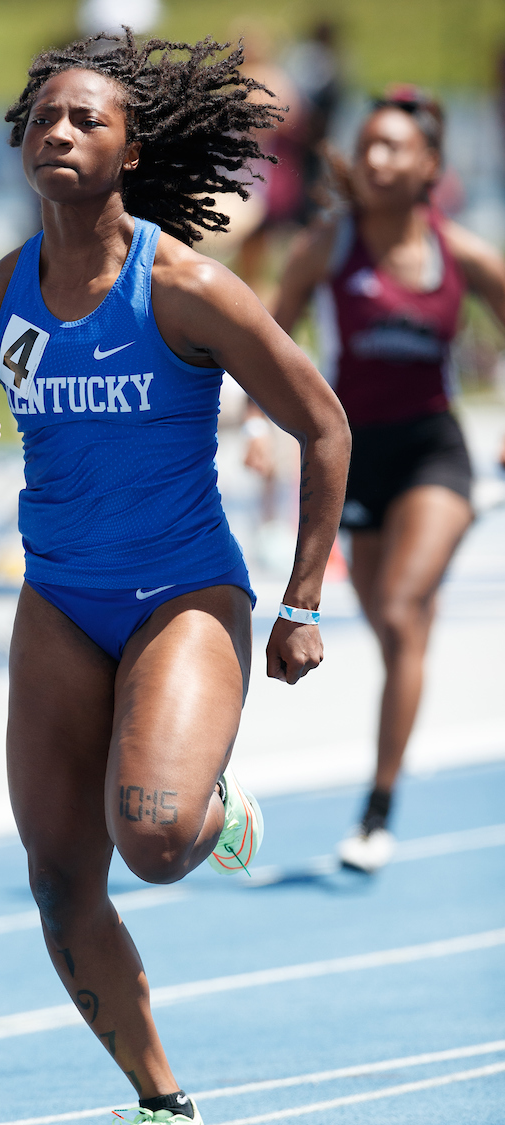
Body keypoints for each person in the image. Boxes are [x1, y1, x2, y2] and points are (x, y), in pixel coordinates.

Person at [0, 32, 349, 1125]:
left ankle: (207, 806)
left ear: (131, 150)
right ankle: (165, 1102)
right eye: (45, 118)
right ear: (20, 141)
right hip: (59, 600)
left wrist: (301, 602)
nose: (60, 133)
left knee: (149, 840)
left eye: (88, 120)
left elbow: (323, 426)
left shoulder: (185, 286)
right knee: (58, 878)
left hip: (183, 595)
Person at [273, 87, 505, 872]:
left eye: (394, 147)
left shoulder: (463, 254)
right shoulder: (327, 247)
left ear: (429, 166)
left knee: (403, 614)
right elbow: (263, 338)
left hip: (435, 452)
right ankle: (392, 755)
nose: (376, 158)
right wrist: (251, 424)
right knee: (392, 628)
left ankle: (377, 807)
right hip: (354, 458)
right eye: (367, 144)